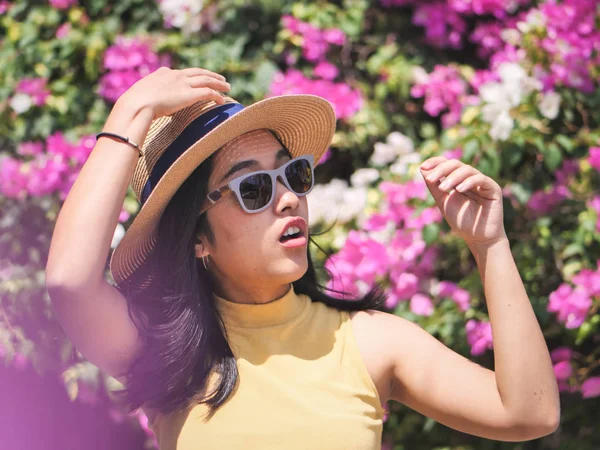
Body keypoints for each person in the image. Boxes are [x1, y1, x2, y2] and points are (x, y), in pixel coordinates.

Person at [45, 66, 560, 450]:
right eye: (253, 188)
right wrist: (131, 112)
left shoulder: (367, 339)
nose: (289, 198)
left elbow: (528, 414)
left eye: (293, 175)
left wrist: (490, 247)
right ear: (195, 238)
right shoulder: (163, 352)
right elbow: (69, 282)